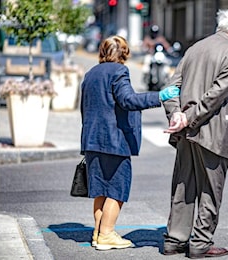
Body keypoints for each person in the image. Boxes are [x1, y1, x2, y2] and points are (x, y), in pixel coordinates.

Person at [161, 9, 228, 258]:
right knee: (211, 190)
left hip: (186, 131)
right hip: (215, 131)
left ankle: (174, 240)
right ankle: (200, 243)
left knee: (183, 185)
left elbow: (170, 88)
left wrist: (176, 114)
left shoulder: (194, 48)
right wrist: (187, 118)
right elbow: (217, 95)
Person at [80, 35, 180, 251]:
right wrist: (160, 96)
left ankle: (98, 233)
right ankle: (106, 235)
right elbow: (128, 100)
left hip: (91, 140)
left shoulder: (90, 74)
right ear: (124, 53)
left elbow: (86, 107)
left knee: (100, 190)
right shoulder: (119, 71)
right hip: (113, 141)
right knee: (117, 189)